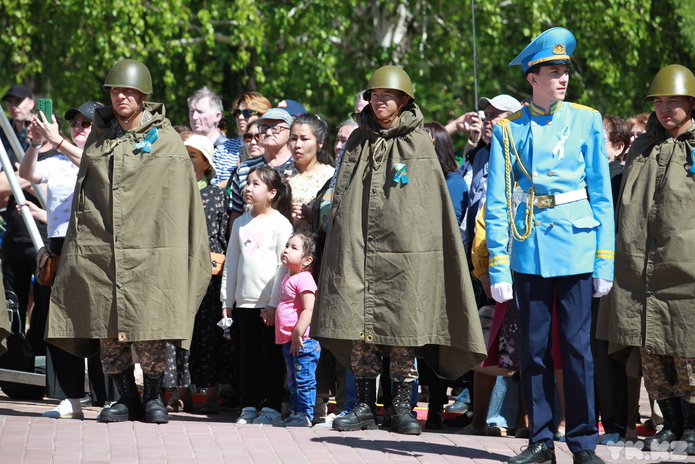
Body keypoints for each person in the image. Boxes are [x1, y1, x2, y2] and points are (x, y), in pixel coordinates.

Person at [312, 65, 486, 436]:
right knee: (360, 329)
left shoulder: (418, 143)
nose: (379, 102)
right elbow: (343, 196)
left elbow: (427, 208)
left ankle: (402, 408)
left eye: (387, 96)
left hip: (406, 256)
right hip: (358, 251)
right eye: (374, 95)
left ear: (404, 100)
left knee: (404, 330)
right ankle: (361, 405)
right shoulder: (359, 140)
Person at [45, 59, 211, 424]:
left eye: (128, 91)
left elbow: (178, 199)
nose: (121, 96)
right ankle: (125, 398)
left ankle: (153, 397)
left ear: (142, 95)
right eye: (115, 91)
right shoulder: (99, 137)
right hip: (101, 246)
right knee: (107, 329)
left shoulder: (165, 139)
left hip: (150, 247)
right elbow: (85, 193)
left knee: (149, 325)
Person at [485, 28, 614, 464]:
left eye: (565, 72)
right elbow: (499, 202)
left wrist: (605, 260)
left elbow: (600, 194)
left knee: (577, 351)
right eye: (553, 72)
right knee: (533, 351)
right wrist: (499, 267)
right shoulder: (507, 131)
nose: (563, 79)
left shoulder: (586, 119)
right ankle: (541, 440)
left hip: (577, 245)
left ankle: (582, 443)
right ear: (531, 77)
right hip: (528, 248)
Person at [597, 64, 695, 455]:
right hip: (639, 272)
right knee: (652, 353)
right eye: (658, 102)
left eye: (673, 101)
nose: (665, 108)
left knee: (687, 352)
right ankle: (669, 425)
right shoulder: (643, 148)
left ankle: (691, 427)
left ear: (691, 103)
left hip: (685, 270)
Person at [20, 101, 118, 418]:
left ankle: (113, 397)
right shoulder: (59, 160)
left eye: (85, 123)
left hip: (95, 248)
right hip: (60, 244)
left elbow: (96, 166)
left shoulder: (108, 154)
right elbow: (27, 173)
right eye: (74, 122)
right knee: (63, 325)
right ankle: (72, 399)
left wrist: (58, 140)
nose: (78, 127)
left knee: (102, 324)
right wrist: (37, 144)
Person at [164, 133, 232, 415]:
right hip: (176, 271)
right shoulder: (169, 192)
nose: (186, 159)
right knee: (179, 332)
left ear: (205, 163)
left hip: (207, 274)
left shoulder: (217, 194)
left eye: (192, 155)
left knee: (208, 334)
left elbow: (223, 235)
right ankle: (181, 394)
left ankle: (212, 394)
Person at [221, 166, 293, 425]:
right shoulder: (240, 223)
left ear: (272, 193)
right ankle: (248, 404)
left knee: (271, 358)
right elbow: (231, 263)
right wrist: (227, 302)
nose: (248, 188)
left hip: (269, 304)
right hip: (244, 303)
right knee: (247, 357)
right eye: (247, 183)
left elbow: (282, 267)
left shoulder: (281, 224)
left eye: (256, 184)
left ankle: (272, 405)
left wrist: (274, 304)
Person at [0, 84, 51, 354]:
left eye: (19, 100)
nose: (14, 106)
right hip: (14, 235)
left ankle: (42, 357)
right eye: (9, 102)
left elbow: (52, 188)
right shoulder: (4, 137)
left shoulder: (50, 141)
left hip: (42, 235)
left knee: (45, 303)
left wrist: (23, 178)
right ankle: (14, 357)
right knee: (12, 302)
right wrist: (27, 177)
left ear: (33, 103)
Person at [273, 234, 320, 427]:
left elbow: (309, 308)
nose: (286, 250)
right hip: (290, 341)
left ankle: (306, 415)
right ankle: (296, 412)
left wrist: (298, 332)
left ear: (307, 260)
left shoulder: (305, 279)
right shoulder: (287, 276)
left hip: (303, 341)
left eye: (294, 248)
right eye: (286, 246)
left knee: (304, 379)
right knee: (292, 381)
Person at [228, 108, 295, 225]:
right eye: (264, 128)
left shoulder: (297, 166)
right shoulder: (245, 168)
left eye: (275, 128)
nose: (268, 133)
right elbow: (236, 213)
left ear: (290, 133)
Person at [287, 114, 335, 235]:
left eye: (304, 139)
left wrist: (312, 215)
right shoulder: (278, 173)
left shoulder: (331, 177)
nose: (297, 145)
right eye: (293, 138)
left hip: (314, 248)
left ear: (320, 143)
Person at [214, 92, 272, 186]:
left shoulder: (272, 147)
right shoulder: (223, 149)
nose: (240, 117)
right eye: (237, 113)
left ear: (263, 116)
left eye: (247, 113)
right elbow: (213, 190)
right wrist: (238, 174)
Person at [425, 121, 468, 224]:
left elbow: (452, 224)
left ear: (440, 146)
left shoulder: (453, 181)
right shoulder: (408, 173)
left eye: (426, 141)